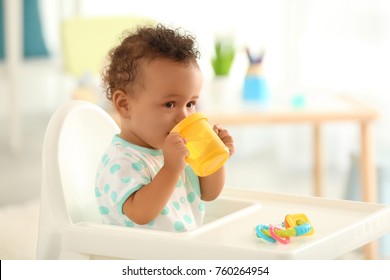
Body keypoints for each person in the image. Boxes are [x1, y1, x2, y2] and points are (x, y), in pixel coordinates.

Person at [95, 24, 235, 232]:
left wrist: (214, 159)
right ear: (125, 105)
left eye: (190, 104)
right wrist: (170, 169)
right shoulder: (122, 160)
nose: (184, 116)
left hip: (181, 251)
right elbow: (141, 214)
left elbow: (209, 193)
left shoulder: (174, 150)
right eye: (170, 104)